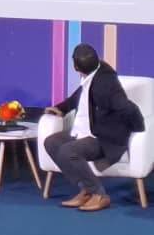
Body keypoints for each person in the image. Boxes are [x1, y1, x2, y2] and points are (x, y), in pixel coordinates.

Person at [43, 43, 144, 212]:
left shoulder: (106, 84)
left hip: (103, 138)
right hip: (85, 131)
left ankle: (99, 194)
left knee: (68, 151)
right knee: (52, 142)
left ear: (75, 67)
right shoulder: (93, 75)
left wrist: (138, 130)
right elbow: (80, 96)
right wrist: (61, 108)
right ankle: (86, 190)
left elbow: (128, 108)